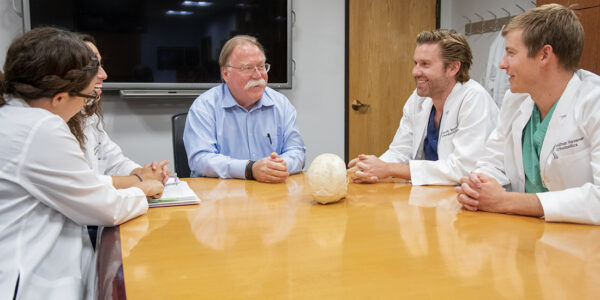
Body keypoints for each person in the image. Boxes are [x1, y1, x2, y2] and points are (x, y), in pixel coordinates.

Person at [0, 27, 163, 299]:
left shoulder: (15, 117)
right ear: (60, 97)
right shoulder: (41, 127)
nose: (86, 107)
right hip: (28, 281)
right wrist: (143, 190)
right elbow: (104, 208)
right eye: (87, 97)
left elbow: (77, 181)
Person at [456, 4, 600, 225]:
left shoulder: (594, 102)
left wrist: (505, 201)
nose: (502, 64)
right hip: (525, 236)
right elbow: (492, 161)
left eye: (511, 53)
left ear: (544, 55)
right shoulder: (516, 100)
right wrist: (478, 186)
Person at [348, 29, 499, 185]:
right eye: (416, 63)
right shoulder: (418, 99)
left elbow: (463, 169)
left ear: (453, 68)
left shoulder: (474, 98)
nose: (415, 72)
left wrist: (389, 169)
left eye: (425, 64)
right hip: (432, 196)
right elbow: (400, 151)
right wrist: (370, 168)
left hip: (468, 198)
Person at [184, 35, 305, 183]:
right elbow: (200, 160)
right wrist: (249, 169)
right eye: (247, 68)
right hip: (221, 199)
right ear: (226, 73)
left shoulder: (281, 105)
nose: (258, 75)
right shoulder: (204, 107)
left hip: (270, 198)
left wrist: (277, 167)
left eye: (261, 66)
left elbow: (297, 151)